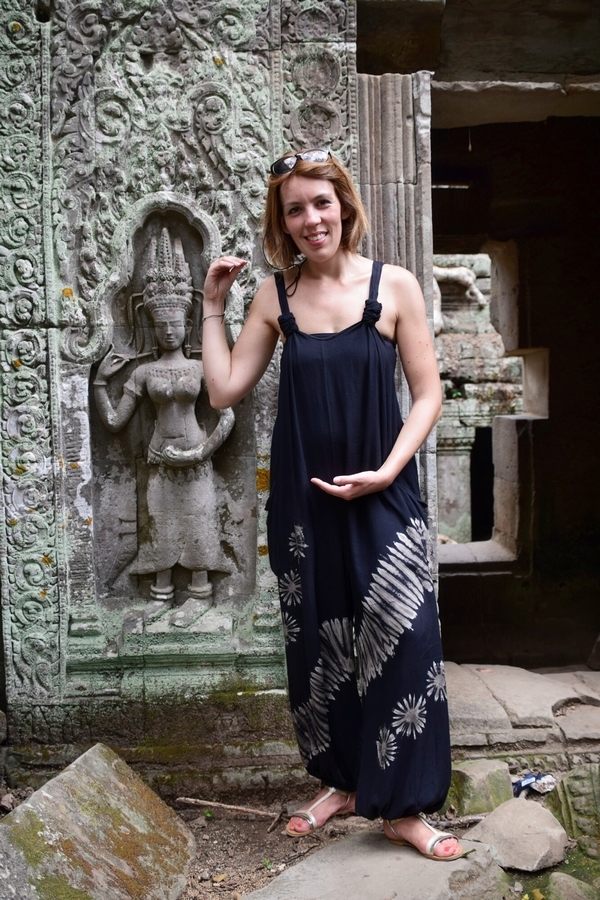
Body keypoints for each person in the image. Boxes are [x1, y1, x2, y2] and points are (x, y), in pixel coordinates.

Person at [201, 149, 465, 860]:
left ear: (344, 206)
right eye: (295, 209)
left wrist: (387, 471)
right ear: (282, 222)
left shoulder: (393, 287)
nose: (311, 219)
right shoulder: (275, 297)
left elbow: (429, 395)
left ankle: (404, 809)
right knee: (321, 644)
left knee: (404, 641)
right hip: (305, 505)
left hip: (386, 491)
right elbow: (224, 390)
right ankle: (344, 783)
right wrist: (212, 305)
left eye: (322, 203)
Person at [94, 229, 234, 624]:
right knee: (160, 524)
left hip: (196, 459)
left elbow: (227, 416)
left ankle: (200, 593)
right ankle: (161, 592)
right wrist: (100, 383)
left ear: (187, 324)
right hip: (159, 458)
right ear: (152, 326)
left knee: (199, 522)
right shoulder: (143, 372)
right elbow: (115, 421)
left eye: (175, 324)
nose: (168, 331)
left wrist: (201, 451)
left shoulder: (201, 368)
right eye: (161, 326)